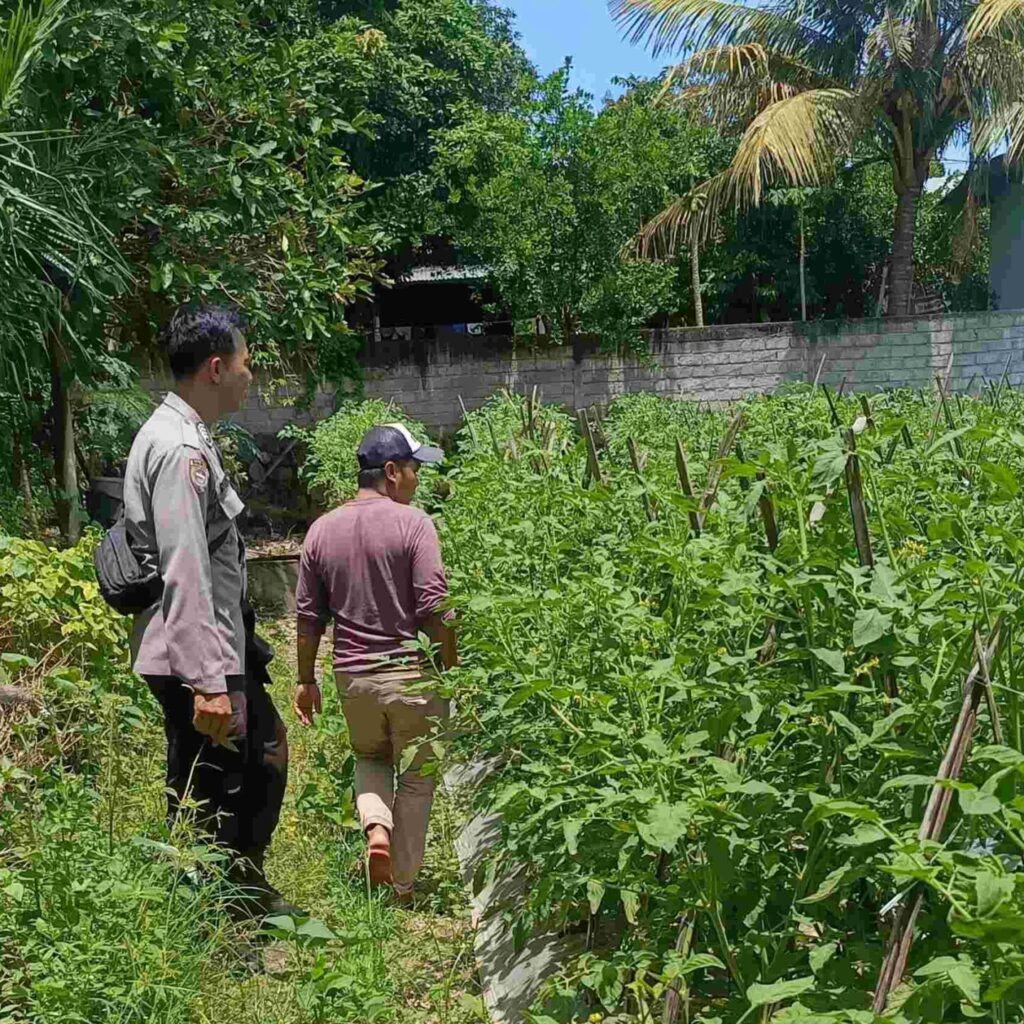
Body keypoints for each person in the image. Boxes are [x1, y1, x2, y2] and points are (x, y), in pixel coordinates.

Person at [123, 303, 298, 918]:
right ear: (217, 368)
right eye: (247, 364)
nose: (253, 376)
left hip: (208, 644)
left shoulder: (181, 437)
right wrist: (208, 682)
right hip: (199, 653)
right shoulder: (180, 452)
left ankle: (227, 899)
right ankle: (228, 917)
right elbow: (186, 568)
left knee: (224, 771)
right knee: (233, 776)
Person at [293, 423, 458, 904]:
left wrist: (305, 679)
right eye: (413, 468)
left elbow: (307, 617)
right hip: (411, 677)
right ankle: (402, 888)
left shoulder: (321, 530)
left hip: (355, 678)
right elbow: (434, 606)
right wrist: (450, 667)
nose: (417, 479)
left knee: (370, 757)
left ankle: (376, 830)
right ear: (390, 471)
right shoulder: (415, 524)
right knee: (417, 779)